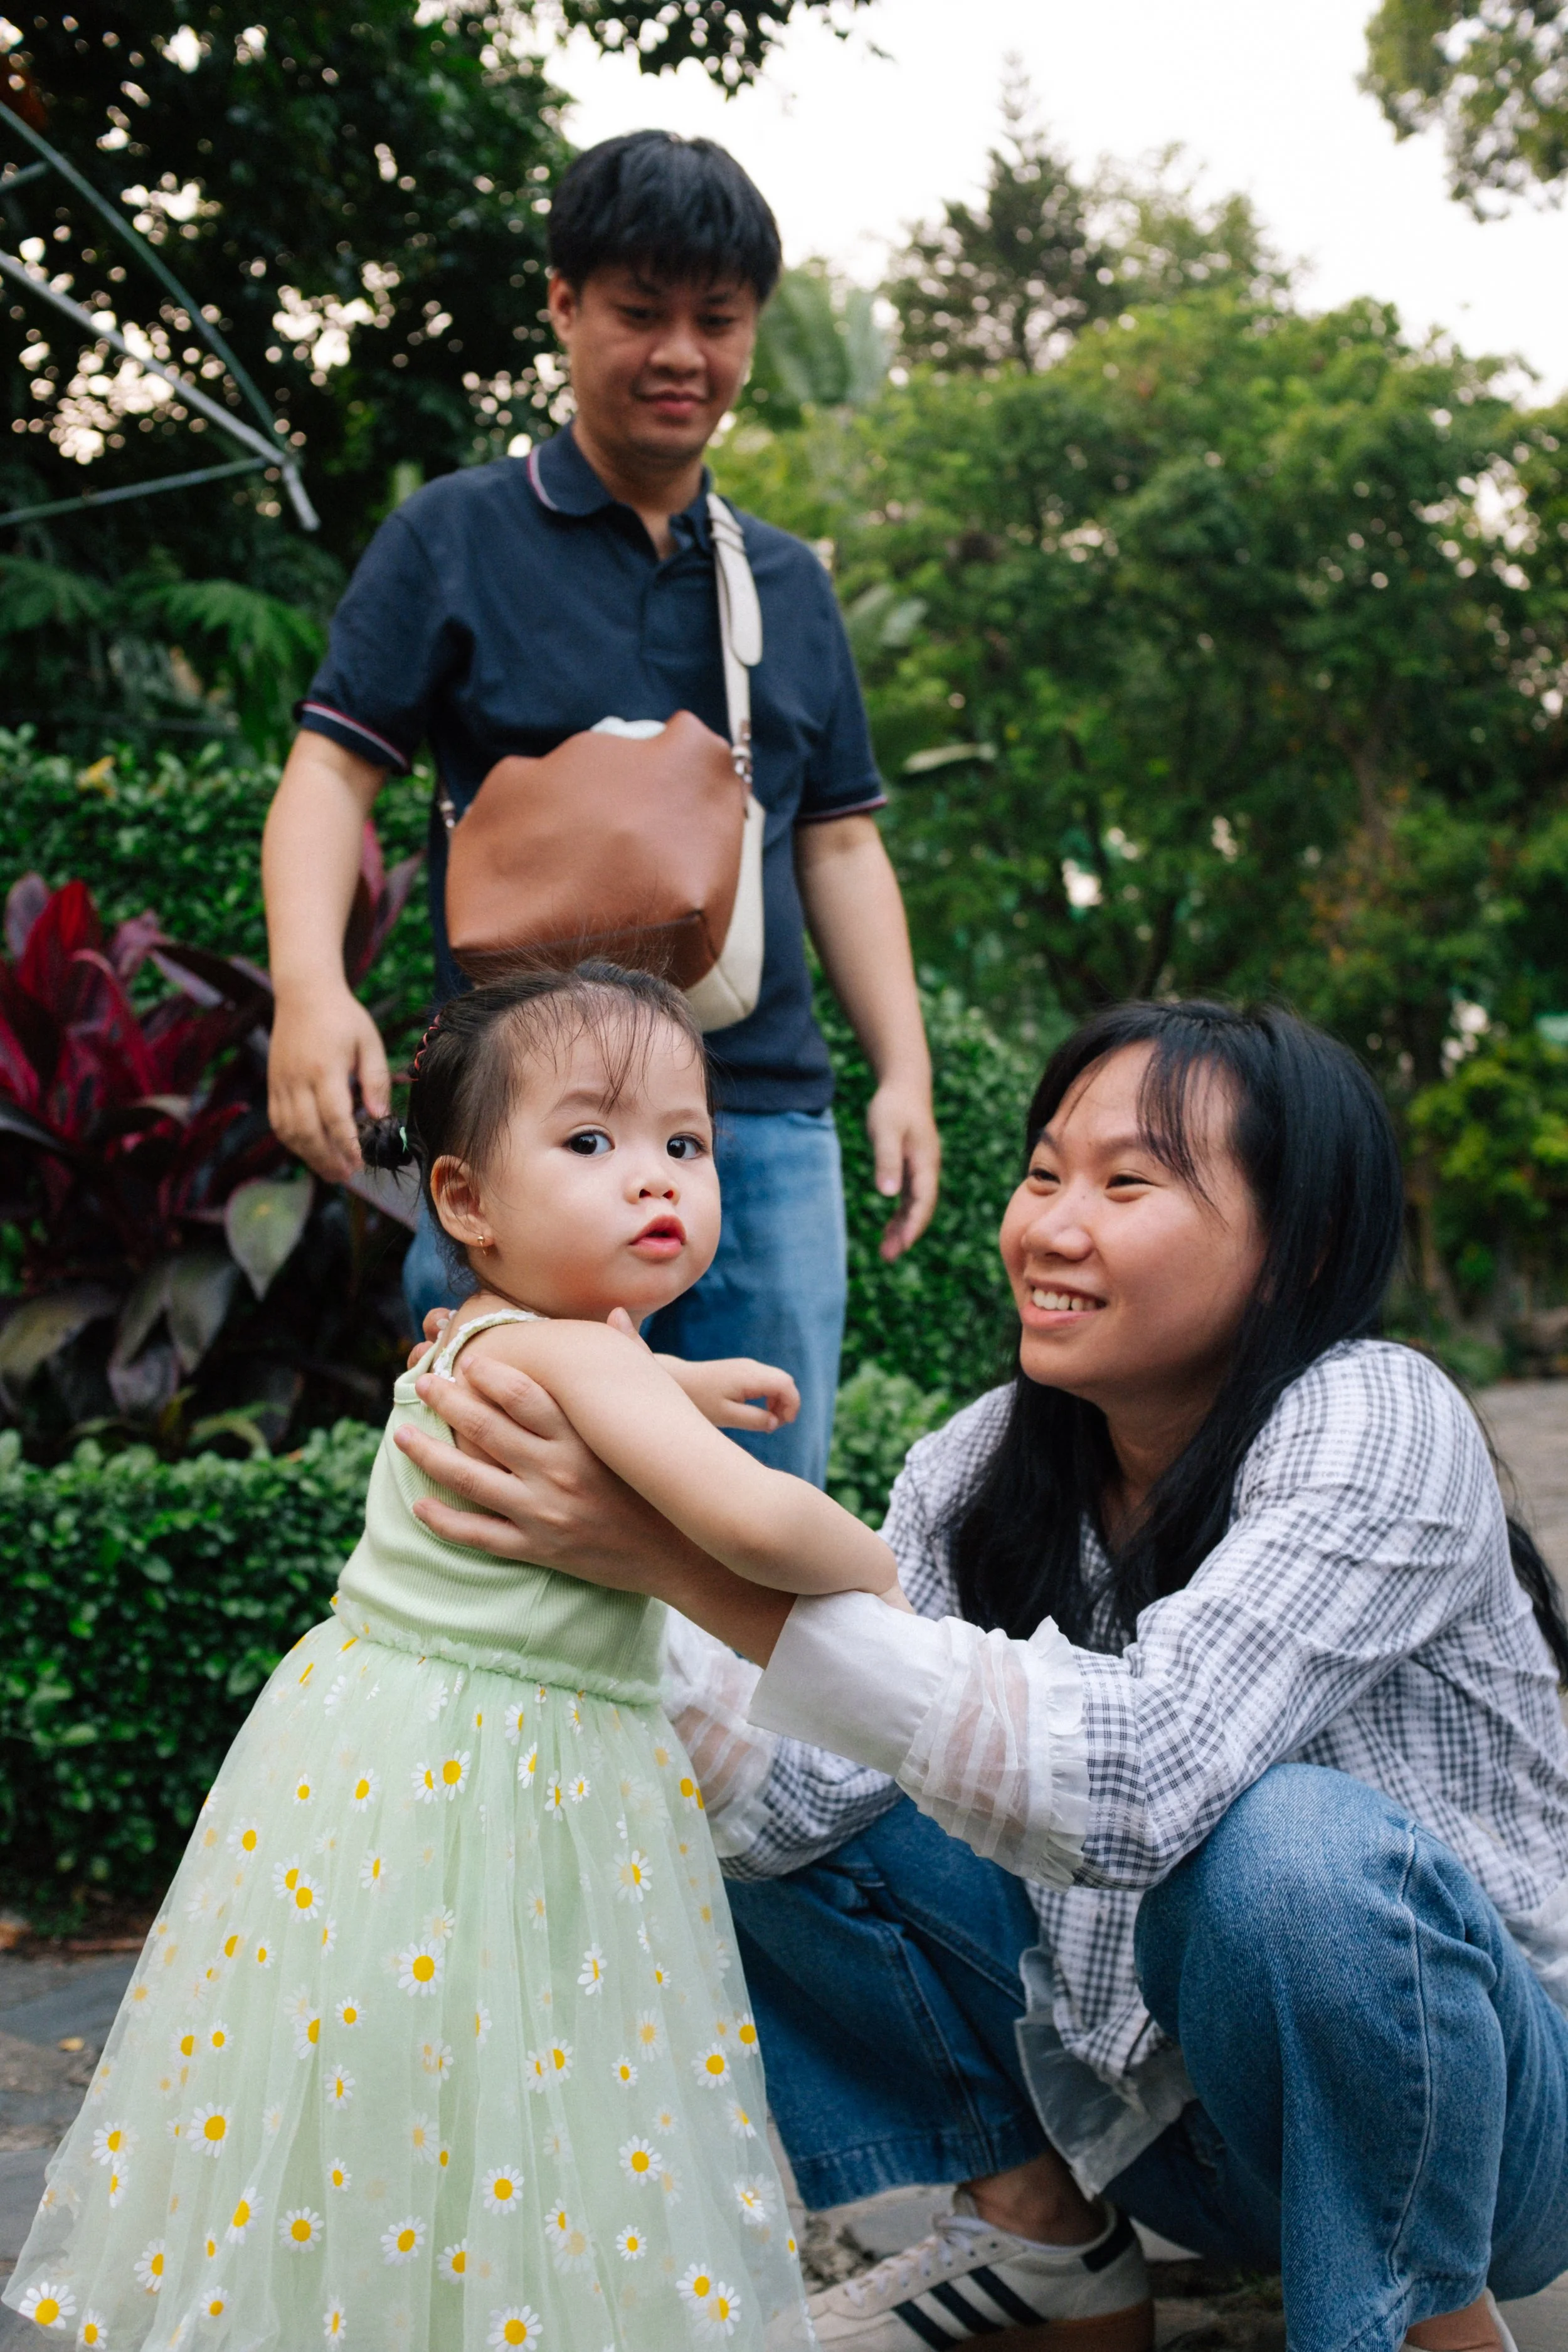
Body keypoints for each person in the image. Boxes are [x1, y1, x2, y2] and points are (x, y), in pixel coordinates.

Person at [386, 1000, 1568, 2352]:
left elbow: (1145, 1779)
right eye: (1041, 1171)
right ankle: (1037, 2237)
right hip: (1159, 2130)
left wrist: (682, 1566)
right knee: (707, 1774)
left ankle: (1413, 2316)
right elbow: (799, 1809)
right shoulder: (981, 1463)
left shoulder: (1373, 1416)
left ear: (1293, 1250)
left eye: (1125, 1183)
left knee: (1285, 1853)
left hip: (1476, 2143)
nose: (1049, 1227)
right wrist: (564, 1564)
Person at [2, 960, 925, 2352]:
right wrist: (878, 1562)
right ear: (464, 1201)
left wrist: (676, 1381)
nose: (652, 1177)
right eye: (590, 1141)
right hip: (517, 1778)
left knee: (402, 2103)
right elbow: (744, 1516)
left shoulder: (486, 1336)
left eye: (684, 1142)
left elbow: (579, 1375)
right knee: (549, 2092)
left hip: (374, 1772)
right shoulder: (581, 1361)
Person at [262, 128, 938, 1488]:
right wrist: (307, 989)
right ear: (564, 305)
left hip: (757, 1120)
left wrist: (903, 1069)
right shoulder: (451, 537)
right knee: (508, 1509)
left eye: (718, 318)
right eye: (639, 311)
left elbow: (842, 839)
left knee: (754, 1521)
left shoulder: (788, 587)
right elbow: (330, 774)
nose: (680, 352)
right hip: (519, 1124)